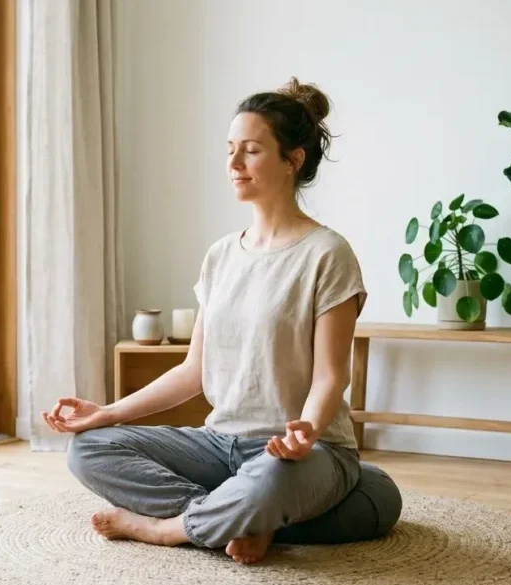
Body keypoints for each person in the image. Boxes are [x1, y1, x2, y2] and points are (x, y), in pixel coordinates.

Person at [41, 77, 402, 565]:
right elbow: (193, 372)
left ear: (292, 160)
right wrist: (107, 413)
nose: (233, 165)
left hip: (301, 453)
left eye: (250, 151)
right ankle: (245, 520)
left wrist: (306, 433)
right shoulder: (220, 257)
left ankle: (170, 529)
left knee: (339, 491)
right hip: (219, 446)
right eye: (230, 150)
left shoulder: (327, 254)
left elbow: (331, 376)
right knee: (88, 450)